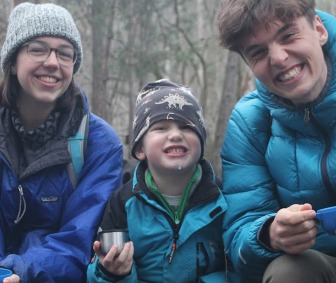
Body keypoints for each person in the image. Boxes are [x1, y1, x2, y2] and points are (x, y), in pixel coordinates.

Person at [217, 0, 336, 282]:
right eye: (258, 52)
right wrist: (269, 234)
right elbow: (240, 235)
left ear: (318, 29)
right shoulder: (250, 123)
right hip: (326, 266)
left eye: (288, 36)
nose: (278, 58)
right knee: (288, 272)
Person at [0, 2, 123, 282]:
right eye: (38, 49)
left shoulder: (99, 144)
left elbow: (78, 241)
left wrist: (19, 271)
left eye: (64, 54)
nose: (52, 63)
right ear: (13, 61)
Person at [87, 79, 233, 282]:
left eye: (186, 127)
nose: (175, 135)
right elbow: (96, 270)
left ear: (201, 142)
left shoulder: (223, 198)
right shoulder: (123, 202)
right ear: (140, 149)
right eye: (161, 128)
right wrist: (113, 273)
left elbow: (239, 266)